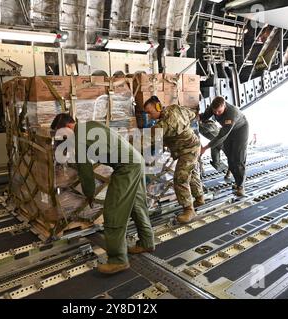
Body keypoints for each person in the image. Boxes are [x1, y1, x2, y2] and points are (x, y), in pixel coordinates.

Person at [51, 114, 155, 275]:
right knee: (136, 204)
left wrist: (89, 194)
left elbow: (86, 172)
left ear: (68, 127)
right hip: (136, 161)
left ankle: (118, 260)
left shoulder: (79, 139)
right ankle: (147, 241)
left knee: (113, 212)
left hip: (126, 168)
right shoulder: (90, 125)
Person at [143, 97, 205, 224]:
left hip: (188, 150)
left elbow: (147, 140)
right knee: (192, 174)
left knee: (180, 178)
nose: (149, 116)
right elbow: (192, 114)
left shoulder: (165, 124)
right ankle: (199, 198)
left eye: (150, 112)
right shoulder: (175, 108)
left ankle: (189, 210)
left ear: (158, 107)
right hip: (192, 146)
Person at [200, 97, 249, 197]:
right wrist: (197, 118)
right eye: (215, 111)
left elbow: (221, 136)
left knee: (238, 159)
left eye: (219, 111)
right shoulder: (213, 108)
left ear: (224, 106)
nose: (217, 113)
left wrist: (205, 148)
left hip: (240, 130)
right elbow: (204, 116)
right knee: (230, 157)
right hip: (228, 131)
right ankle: (236, 181)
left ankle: (241, 186)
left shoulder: (231, 114)